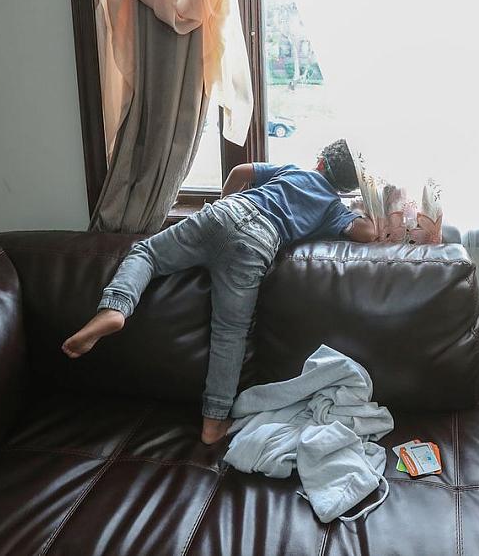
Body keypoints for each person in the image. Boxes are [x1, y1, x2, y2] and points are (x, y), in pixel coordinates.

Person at [61, 139, 377, 444]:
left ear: (320, 162)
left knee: (147, 254)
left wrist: (226, 200)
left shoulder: (294, 170)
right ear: (346, 189)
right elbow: (366, 233)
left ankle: (115, 309)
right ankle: (213, 423)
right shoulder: (332, 208)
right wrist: (365, 208)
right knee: (230, 333)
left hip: (222, 215)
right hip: (257, 244)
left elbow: (241, 171)